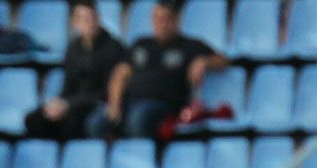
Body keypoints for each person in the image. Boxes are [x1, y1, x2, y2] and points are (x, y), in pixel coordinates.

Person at [86, 0, 228, 139]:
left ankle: (143, 159)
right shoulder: (141, 43)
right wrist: (114, 104)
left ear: (176, 20)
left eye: (165, 18)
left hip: (165, 106)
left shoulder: (190, 46)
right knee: (96, 123)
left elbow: (223, 60)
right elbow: (120, 74)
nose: (160, 23)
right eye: (156, 18)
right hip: (130, 102)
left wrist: (205, 61)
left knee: (138, 118)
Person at [24, 0, 125, 140]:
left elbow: (107, 92)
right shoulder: (73, 48)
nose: (88, 23)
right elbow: (68, 86)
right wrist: (58, 104)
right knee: (34, 119)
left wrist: (69, 105)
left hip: (95, 105)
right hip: (73, 104)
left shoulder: (113, 48)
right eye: (82, 19)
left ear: (98, 18)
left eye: (91, 18)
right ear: (75, 22)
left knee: (74, 124)